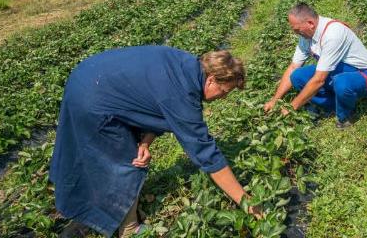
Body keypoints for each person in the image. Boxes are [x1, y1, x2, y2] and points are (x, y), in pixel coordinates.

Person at [49, 46, 259, 237]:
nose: (222, 98)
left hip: (88, 77)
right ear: (212, 80)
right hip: (93, 99)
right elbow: (207, 154)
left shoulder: (187, 65)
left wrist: (146, 141)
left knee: (105, 155)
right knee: (122, 162)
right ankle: (129, 229)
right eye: (223, 92)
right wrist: (246, 203)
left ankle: (95, 208)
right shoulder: (182, 94)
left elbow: (154, 104)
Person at [263, 3, 367, 128]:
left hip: (364, 75)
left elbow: (319, 80)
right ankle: (333, 104)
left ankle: (345, 117)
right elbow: (293, 68)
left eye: (297, 30)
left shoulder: (333, 33)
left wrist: (291, 108)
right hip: (338, 70)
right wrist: (275, 100)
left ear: (310, 23)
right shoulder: (306, 36)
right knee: (297, 76)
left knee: (342, 83)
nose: (296, 33)